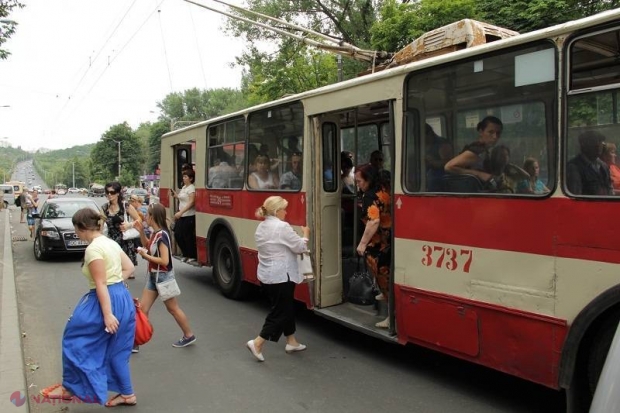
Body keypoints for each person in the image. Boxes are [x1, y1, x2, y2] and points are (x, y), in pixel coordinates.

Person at [39, 208, 136, 406]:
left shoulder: (93, 249)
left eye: (76, 229)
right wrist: (115, 284)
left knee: (74, 339)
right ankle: (127, 394)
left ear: (82, 228)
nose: (76, 234)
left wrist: (108, 314)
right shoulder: (110, 243)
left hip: (104, 300)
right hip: (122, 297)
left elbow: (100, 284)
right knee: (118, 350)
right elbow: (129, 268)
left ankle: (70, 387)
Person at [246, 196, 310, 362]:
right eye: (284, 209)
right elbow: (300, 247)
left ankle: (291, 341)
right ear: (277, 211)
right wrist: (305, 235)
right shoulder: (282, 227)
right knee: (280, 311)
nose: (286, 212)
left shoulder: (261, 226)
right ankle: (258, 342)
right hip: (282, 275)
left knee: (284, 306)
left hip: (267, 275)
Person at [134, 203, 196, 351]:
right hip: (153, 277)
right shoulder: (155, 233)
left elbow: (165, 261)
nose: (145, 218)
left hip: (162, 277)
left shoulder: (162, 235)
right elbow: (147, 245)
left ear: (153, 217)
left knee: (173, 309)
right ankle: (136, 341)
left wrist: (146, 256)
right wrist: (141, 232)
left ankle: (189, 335)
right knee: (143, 309)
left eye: (147, 215)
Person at [354, 164, 392, 328]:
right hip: (390, 237)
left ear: (368, 179)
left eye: (360, 181)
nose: (358, 185)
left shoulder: (369, 196)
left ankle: (391, 315)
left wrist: (362, 244)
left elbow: (373, 220)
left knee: (378, 267)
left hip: (379, 242)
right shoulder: (383, 189)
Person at [445, 116, 504, 187]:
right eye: (491, 132)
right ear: (481, 132)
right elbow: (449, 167)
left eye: (498, 133)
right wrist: (479, 174)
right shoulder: (477, 150)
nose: (495, 137)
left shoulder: (485, 149)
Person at [102, 182, 142, 278]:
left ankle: (122, 289)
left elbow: (139, 219)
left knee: (125, 272)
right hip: (111, 242)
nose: (109, 195)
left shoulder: (125, 206)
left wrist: (129, 225)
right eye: (107, 192)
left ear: (118, 193)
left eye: (112, 192)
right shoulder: (104, 208)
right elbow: (101, 225)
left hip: (124, 241)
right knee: (113, 270)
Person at [566, 131, 613, 195]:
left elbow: (610, 190)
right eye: (594, 142)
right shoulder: (574, 167)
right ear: (584, 145)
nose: (599, 145)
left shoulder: (603, 166)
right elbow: (575, 195)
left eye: (600, 142)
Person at [171, 169, 197, 263]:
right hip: (182, 215)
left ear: (191, 178)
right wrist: (176, 196)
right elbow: (183, 198)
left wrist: (181, 212)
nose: (184, 178)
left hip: (189, 215)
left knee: (188, 236)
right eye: (183, 176)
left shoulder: (191, 188)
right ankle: (185, 253)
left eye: (186, 177)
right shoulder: (184, 188)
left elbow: (191, 202)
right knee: (178, 234)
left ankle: (192, 255)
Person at [424, 123, 453, 191]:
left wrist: (432, 162)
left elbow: (448, 163)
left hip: (440, 179)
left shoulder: (442, 143)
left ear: (429, 133)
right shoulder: (423, 144)